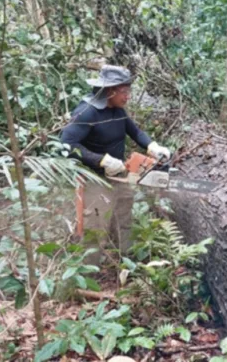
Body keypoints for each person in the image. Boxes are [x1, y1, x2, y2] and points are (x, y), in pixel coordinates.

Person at [61, 65, 170, 263]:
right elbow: (66, 144)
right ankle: (88, 271)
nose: (127, 96)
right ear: (110, 90)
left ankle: (126, 260)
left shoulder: (118, 110)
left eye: (129, 91)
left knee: (124, 218)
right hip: (94, 178)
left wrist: (152, 146)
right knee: (95, 225)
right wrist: (100, 160)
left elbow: (135, 132)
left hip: (119, 174)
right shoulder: (87, 112)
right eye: (125, 91)